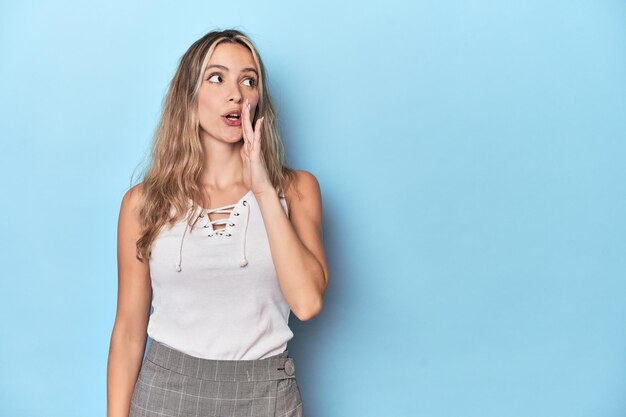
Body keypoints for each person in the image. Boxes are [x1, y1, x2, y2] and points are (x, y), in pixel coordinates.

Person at [106, 28, 329, 417]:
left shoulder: (296, 190)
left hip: (265, 394)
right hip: (165, 392)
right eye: (216, 77)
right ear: (188, 97)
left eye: (249, 80)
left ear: (258, 100)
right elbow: (127, 331)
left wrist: (263, 190)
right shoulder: (144, 203)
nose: (236, 93)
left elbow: (307, 303)